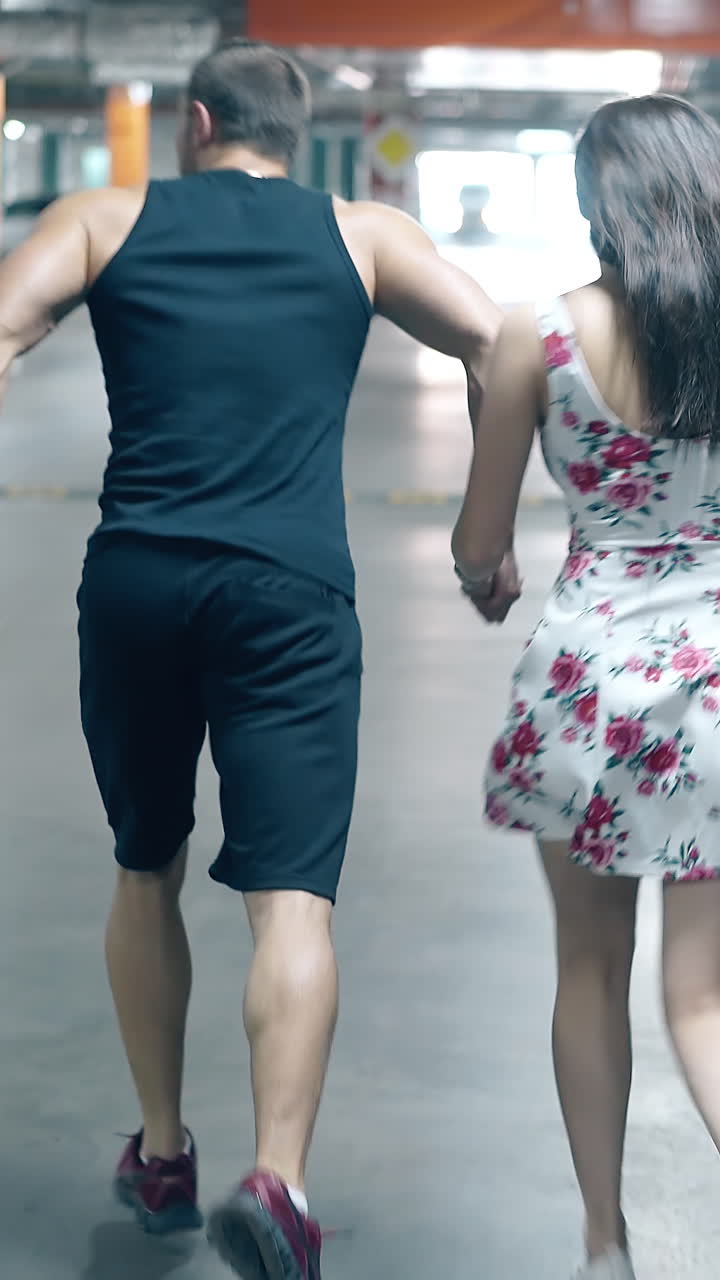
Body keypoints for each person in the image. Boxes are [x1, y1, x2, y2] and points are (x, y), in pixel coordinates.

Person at [0, 39, 501, 1280]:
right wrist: (481, 536)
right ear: (291, 130)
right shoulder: (363, 234)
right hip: (290, 594)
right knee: (292, 899)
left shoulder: (102, 217)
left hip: (137, 583)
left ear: (195, 122)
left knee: (145, 864)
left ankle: (164, 1150)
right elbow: (499, 345)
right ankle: (278, 1182)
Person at [451, 94, 720, 1280]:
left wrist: (489, 578)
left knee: (588, 970)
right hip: (719, 683)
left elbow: (479, 542)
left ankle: (605, 1243)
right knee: (704, 996)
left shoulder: (539, 334)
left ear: (592, 204)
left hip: (588, 688)